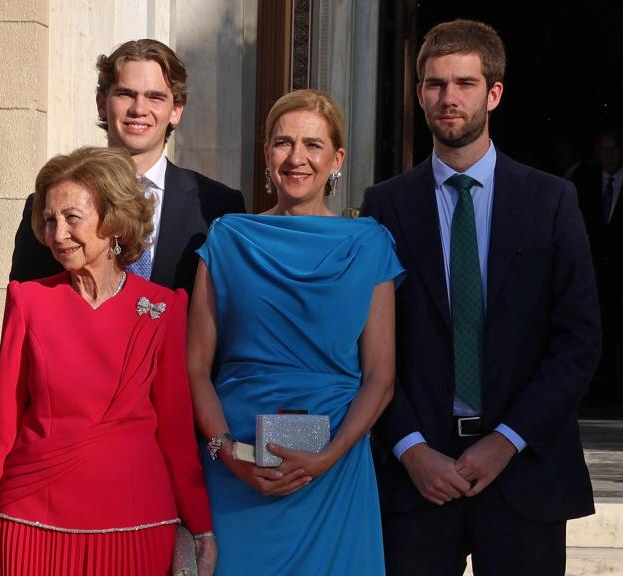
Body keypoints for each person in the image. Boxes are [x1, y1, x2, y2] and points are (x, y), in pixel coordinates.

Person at [362, 20, 601, 576]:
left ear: (493, 93)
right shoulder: (384, 205)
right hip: (416, 479)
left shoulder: (552, 202)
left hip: (526, 472)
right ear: (419, 94)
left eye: (465, 83)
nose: (449, 98)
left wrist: (506, 440)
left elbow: (580, 338)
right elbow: (365, 343)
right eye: (435, 84)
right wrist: (409, 447)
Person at [0, 146, 215, 576]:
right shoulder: (29, 301)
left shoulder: (162, 308)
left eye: (72, 218)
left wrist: (203, 529)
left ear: (113, 221)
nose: (58, 234)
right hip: (34, 523)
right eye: (49, 219)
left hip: (137, 525)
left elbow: (175, 434)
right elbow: (2, 428)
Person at [188, 89, 401, 575]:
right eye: (283, 143)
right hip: (237, 469)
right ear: (267, 155)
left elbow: (380, 377)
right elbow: (196, 367)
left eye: (313, 144)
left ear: (337, 158)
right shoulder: (227, 238)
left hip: (335, 472)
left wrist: (328, 457)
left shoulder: (369, 242)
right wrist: (227, 453)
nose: (297, 158)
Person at [9, 39, 245, 295]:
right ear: (102, 103)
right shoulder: (48, 205)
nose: (138, 109)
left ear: (176, 111)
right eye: (126, 94)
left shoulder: (219, 207)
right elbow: (25, 303)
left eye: (155, 97)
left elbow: (229, 310)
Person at [571, 129, 623, 411]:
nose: (609, 156)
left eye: (614, 149)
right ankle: (598, 392)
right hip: (593, 276)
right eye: (604, 150)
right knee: (595, 331)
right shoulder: (583, 183)